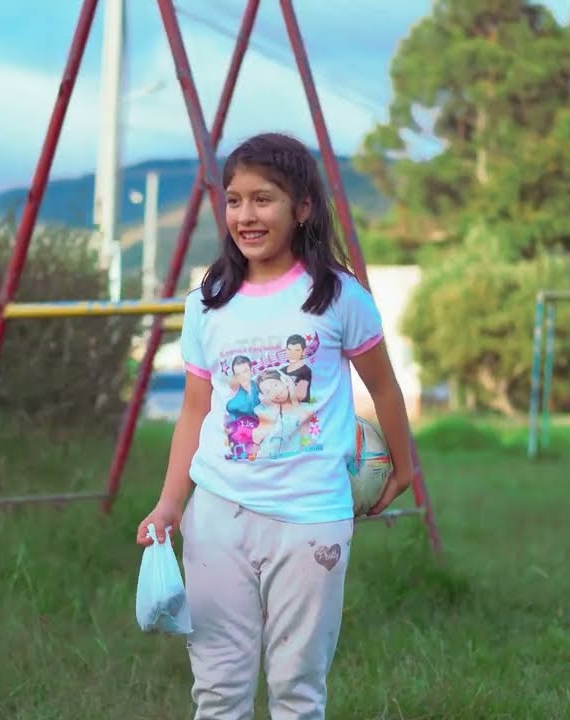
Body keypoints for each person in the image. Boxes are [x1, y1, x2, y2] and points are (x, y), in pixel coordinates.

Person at [136, 131, 417, 719]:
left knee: (297, 690)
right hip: (216, 515)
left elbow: (384, 387)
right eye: (234, 200)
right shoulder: (206, 302)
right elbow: (195, 409)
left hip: (312, 520)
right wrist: (169, 505)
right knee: (218, 691)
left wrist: (405, 465)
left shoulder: (338, 296)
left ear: (303, 208)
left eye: (263, 199)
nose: (246, 215)